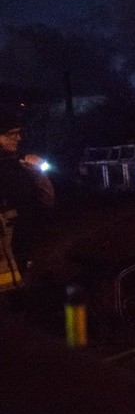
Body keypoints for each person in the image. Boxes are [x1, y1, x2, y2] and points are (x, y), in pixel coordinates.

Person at [0, 110, 55, 312]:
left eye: (19, 132)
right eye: (12, 133)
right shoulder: (8, 167)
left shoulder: (18, 164)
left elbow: (44, 202)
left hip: (21, 243)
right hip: (8, 245)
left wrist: (39, 174)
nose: (19, 138)